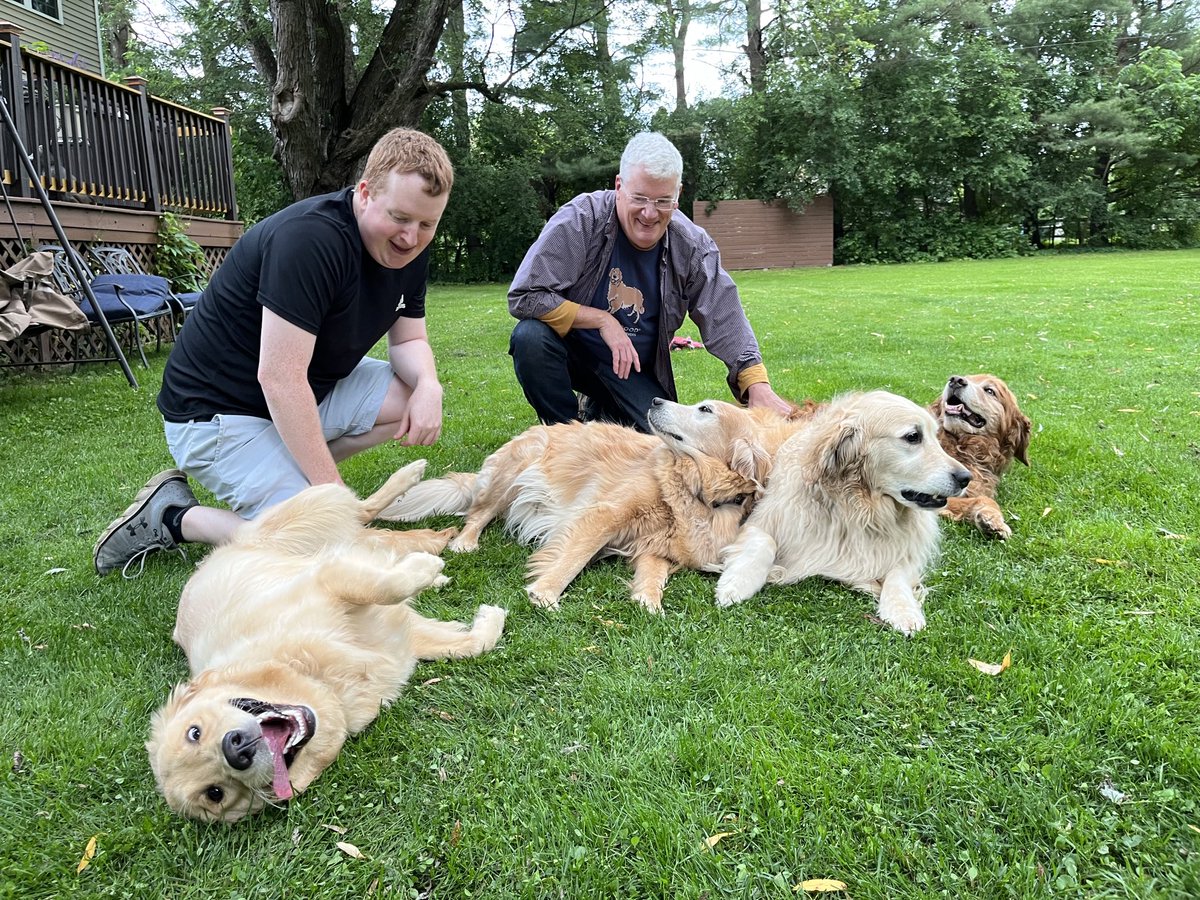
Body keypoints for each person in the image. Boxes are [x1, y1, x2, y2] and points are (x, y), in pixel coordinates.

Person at [93, 127, 454, 577]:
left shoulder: (410, 251)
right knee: (315, 537)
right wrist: (332, 497)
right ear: (364, 193)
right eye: (400, 218)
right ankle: (173, 517)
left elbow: (409, 340)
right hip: (215, 414)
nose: (411, 237)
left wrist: (429, 385)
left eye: (427, 224)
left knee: (409, 397)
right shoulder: (310, 241)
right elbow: (280, 379)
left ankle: (288, 469)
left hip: (302, 394)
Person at [507, 131, 793, 432]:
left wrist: (755, 383)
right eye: (639, 198)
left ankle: (603, 409)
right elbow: (526, 296)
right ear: (619, 186)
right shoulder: (580, 220)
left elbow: (724, 315)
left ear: (678, 196)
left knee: (659, 448)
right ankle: (564, 435)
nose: (649, 213)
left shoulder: (693, 247)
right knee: (530, 338)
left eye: (662, 201)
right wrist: (603, 320)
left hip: (634, 371)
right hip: (572, 354)